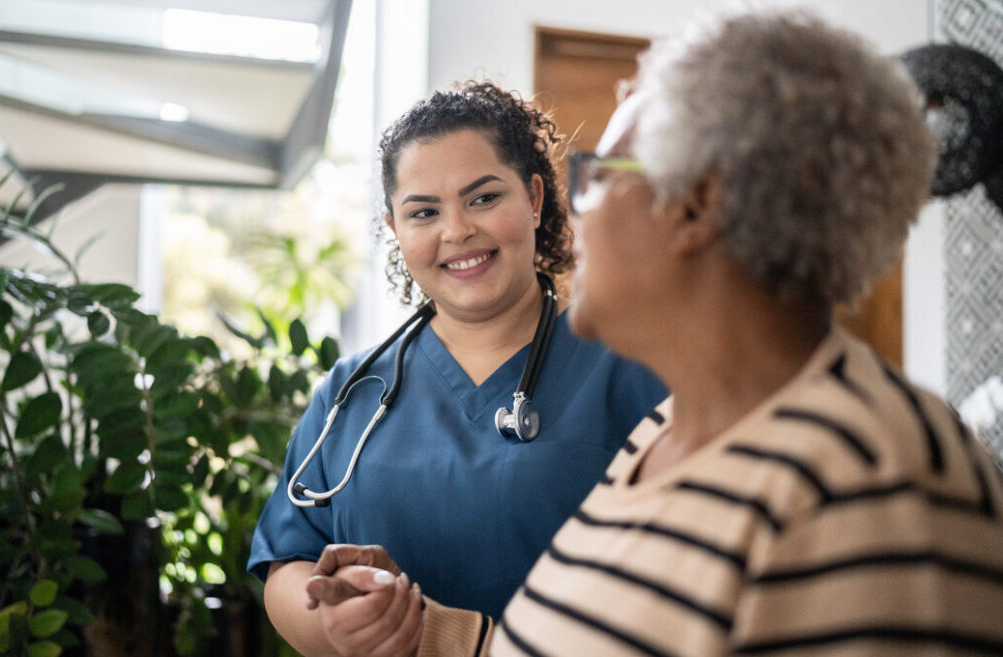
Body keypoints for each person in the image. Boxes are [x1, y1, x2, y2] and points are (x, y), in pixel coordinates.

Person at [314, 8, 1003, 656]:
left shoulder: (867, 474)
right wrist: (429, 625)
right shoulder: (664, 435)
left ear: (693, 208)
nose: (574, 214)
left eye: (597, 177)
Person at [247, 80, 668, 657]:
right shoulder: (352, 390)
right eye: (423, 212)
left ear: (536, 198)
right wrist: (354, 626)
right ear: (396, 231)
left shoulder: (631, 372)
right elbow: (287, 565)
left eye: (484, 198)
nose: (456, 231)